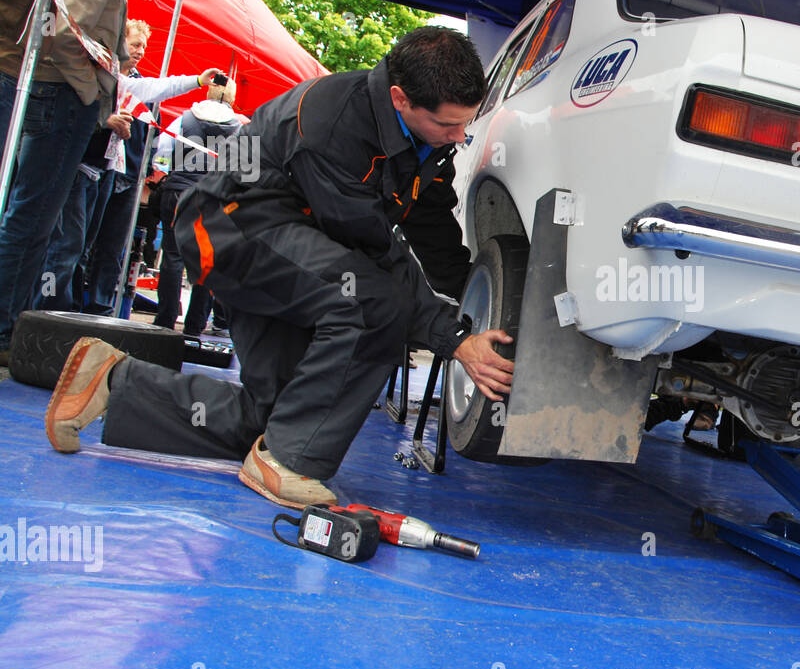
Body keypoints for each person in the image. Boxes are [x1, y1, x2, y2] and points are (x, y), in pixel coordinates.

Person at [47, 27, 515, 510]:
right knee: (376, 304)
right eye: (449, 125)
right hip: (228, 231)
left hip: (287, 241)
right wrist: (455, 340)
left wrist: (478, 307)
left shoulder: (422, 132)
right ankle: (289, 464)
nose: (460, 136)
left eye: (466, 124)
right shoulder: (335, 125)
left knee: (280, 417)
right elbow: (375, 254)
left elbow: (430, 222)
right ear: (400, 98)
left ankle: (110, 381)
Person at [0, 0, 149, 362]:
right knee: (34, 219)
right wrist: (91, 93)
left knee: (37, 221)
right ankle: (5, 330)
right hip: (60, 98)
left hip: (54, 93)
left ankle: (9, 327)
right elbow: (65, 32)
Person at [83, 21, 217, 315]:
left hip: (138, 179)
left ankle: (147, 315)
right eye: (135, 44)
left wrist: (157, 171)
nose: (140, 51)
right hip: (109, 171)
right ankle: (189, 323)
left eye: (143, 46)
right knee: (203, 261)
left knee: (163, 256)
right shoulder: (109, 78)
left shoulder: (184, 117)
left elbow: (161, 148)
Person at [150, 71, 245, 334]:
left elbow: (162, 153)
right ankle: (194, 326)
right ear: (232, 97)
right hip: (216, 198)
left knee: (172, 257)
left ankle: (165, 322)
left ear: (209, 90)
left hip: (178, 191)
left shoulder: (185, 118)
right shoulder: (241, 127)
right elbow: (248, 173)